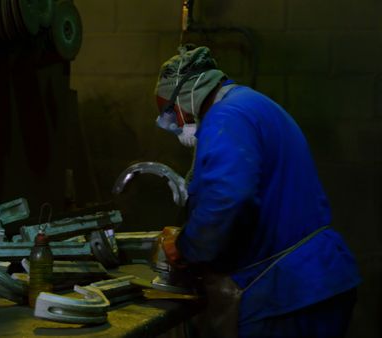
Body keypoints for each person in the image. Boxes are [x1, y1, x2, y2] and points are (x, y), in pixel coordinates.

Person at [154, 46, 361, 338]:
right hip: (317, 278)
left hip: (285, 295)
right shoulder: (253, 105)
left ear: (187, 95)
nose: (173, 124)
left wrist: (186, 247)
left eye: (170, 112)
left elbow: (227, 196)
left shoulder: (226, 117)